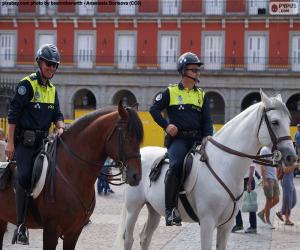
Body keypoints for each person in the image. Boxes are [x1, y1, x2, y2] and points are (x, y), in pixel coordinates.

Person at [5, 44, 65, 245]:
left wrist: (60, 126)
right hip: (25, 144)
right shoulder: (27, 84)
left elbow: (57, 113)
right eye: (49, 64)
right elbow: (12, 115)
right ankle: (21, 226)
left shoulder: (53, 89)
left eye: (55, 65)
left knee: (61, 173)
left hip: (44, 143)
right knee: (23, 176)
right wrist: (10, 143)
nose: (52, 68)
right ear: (39, 62)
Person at [149, 52, 213, 226]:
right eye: (194, 69)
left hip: (198, 140)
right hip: (179, 141)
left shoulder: (201, 95)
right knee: (176, 165)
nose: (198, 73)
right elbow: (154, 109)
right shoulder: (170, 92)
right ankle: (170, 211)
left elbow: (207, 120)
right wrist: (166, 125)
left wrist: (209, 137)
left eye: (198, 70)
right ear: (184, 71)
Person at [257, 146, 280, 229]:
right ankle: (267, 220)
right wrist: (265, 180)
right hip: (268, 178)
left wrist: (277, 177)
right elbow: (261, 165)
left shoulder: (275, 150)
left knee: (277, 199)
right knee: (269, 199)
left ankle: (262, 212)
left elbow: (275, 165)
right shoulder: (265, 149)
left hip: (274, 178)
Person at [232, 162, 257, 233]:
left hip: (248, 180)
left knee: (250, 204)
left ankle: (253, 226)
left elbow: (252, 169)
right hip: (241, 180)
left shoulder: (251, 154)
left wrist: (249, 184)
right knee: (235, 201)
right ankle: (239, 224)